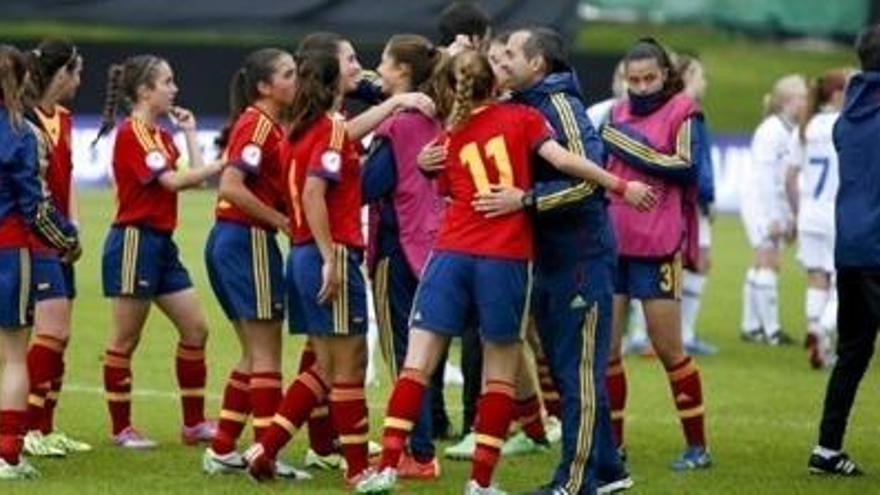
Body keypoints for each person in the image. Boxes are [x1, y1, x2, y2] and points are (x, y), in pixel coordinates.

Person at [356, 48, 653, 495]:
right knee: (500, 371)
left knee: (415, 364)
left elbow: (444, 187)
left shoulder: (448, 138)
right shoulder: (522, 118)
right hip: (504, 257)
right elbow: (566, 162)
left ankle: (389, 466)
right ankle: (480, 483)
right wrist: (619, 184)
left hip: (451, 253)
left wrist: (425, 162)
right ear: (494, 84)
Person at [243, 32, 434, 486]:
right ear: (332, 74)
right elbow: (313, 193)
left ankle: (265, 450)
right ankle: (356, 470)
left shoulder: (301, 125)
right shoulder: (327, 127)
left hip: (304, 255)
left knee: (324, 369)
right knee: (348, 367)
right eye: (350, 58)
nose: (360, 66)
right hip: (329, 253)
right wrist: (333, 257)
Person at [475, 26, 633, 494]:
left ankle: (577, 480)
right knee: (569, 368)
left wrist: (525, 201)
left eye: (510, 55)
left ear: (537, 64)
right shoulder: (521, 106)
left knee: (577, 371)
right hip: (551, 256)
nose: (502, 62)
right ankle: (608, 470)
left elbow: (590, 180)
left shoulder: (561, 107)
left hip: (580, 255)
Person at [93, 54, 222, 449]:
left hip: (161, 244)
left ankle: (194, 424)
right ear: (145, 91)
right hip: (135, 241)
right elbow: (170, 183)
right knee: (125, 340)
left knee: (196, 329)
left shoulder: (161, 135)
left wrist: (190, 133)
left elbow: (193, 182)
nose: (175, 88)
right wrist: (228, 161)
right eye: (167, 82)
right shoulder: (134, 133)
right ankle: (121, 429)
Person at [600, 38, 711, 470]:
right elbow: (605, 170)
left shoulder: (684, 111)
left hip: (658, 243)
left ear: (666, 75)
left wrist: (623, 143)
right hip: (614, 243)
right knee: (607, 352)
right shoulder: (616, 113)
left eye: (650, 78)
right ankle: (615, 446)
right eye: (634, 80)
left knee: (668, 349)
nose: (642, 87)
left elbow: (686, 166)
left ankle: (697, 446)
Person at [201, 48, 307, 479]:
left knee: (252, 350)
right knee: (267, 352)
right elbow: (231, 184)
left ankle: (224, 447)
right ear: (265, 86)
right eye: (288, 74)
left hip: (231, 239)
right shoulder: (258, 124)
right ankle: (266, 454)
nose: (296, 79)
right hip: (247, 239)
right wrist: (281, 220)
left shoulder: (264, 125)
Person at [362, 34, 446, 479]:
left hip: (396, 249)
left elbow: (367, 186)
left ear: (404, 72)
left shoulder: (396, 125)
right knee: (424, 352)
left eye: (384, 62)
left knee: (402, 356)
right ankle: (423, 446)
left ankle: (418, 451)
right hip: (434, 247)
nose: (378, 69)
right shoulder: (441, 117)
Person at [0, 43, 80, 480]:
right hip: (11, 249)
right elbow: (36, 206)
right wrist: (66, 240)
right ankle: (9, 454)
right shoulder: (19, 133)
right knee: (14, 357)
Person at [807, 24, 880, 477]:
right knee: (854, 351)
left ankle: (828, 447)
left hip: (850, 248)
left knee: (853, 352)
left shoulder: (845, 120)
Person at [20, 39, 92, 457]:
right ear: (61, 73)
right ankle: (26, 427)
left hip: (61, 236)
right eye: (76, 72)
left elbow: (70, 177)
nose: (79, 81)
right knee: (52, 330)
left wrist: (75, 228)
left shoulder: (62, 118)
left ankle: (45, 427)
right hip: (36, 236)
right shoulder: (25, 121)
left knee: (59, 337)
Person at [785, 69, 849, 369]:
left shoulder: (806, 126)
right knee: (841, 282)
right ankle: (823, 330)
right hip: (838, 213)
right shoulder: (846, 124)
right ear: (837, 94)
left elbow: (790, 177)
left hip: (810, 213)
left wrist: (797, 212)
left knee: (816, 278)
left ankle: (814, 331)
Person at [740, 74, 807, 345]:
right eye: (803, 96)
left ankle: (751, 325)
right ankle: (772, 330)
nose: (807, 101)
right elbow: (766, 179)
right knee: (770, 261)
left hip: (773, 204)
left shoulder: (792, 130)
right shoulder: (771, 131)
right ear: (788, 101)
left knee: (761, 262)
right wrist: (773, 218)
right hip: (760, 204)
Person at [677, 54, 717, 356]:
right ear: (688, 76)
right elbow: (697, 161)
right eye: (699, 75)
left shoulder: (681, 110)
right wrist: (706, 196)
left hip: (689, 198)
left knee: (694, 262)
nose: (704, 81)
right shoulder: (686, 111)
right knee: (690, 261)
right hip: (689, 201)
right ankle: (681, 334)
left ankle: (679, 333)